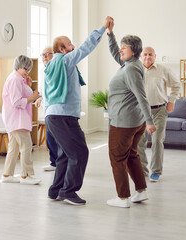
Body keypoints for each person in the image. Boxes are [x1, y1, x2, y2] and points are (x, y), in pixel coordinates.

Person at [44, 16, 113, 206]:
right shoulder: (65, 61)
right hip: (63, 116)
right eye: (69, 43)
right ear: (62, 49)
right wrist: (102, 28)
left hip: (53, 115)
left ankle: (56, 190)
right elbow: (86, 47)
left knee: (66, 153)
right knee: (80, 152)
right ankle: (68, 191)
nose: (73, 45)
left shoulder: (51, 65)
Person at [106, 19, 156, 208]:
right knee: (131, 155)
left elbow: (142, 97)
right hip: (134, 121)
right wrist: (111, 34)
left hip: (124, 122)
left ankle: (122, 198)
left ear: (133, 51)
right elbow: (114, 53)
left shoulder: (131, 70)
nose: (121, 50)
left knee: (117, 157)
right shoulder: (131, 64)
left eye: (124, 48)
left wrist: (150, 121)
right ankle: (141, 191)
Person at [138, 47, 181, 182]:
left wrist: (172, 101)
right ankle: (141, 171)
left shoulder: (163, 69)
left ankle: (156, 171)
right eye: (145, 54)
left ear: (155, 56)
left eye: (150, 54)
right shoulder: (136, 70)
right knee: (139, 142)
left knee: (157, 140)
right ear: (141, 56)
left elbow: (176, 85)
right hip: (141, 112)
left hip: (159, 110)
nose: (147, 57)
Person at [1, 55, 42, 185]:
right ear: (18, 66)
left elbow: (26, 95)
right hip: (16, 119)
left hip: (17, 119)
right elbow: (16, 102)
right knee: (27, 145)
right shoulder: (14, 80)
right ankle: (26, 176)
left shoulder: (20, 79)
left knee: (14, 148)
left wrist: (29, 86)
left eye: (28, 69)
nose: (27, 72)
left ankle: (7, 174)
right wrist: (33, 97)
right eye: (25, 68)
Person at [35, 47, 58, 171]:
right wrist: (39, 99)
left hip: (56, 107)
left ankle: (60, 162)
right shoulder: (42, 70)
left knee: (56, 136)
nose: (44, 57)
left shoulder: (57, 68)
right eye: (42, 54)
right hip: (47, 107)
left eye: (47, 54)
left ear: (53, 55)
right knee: (50, 137)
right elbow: (42, 88)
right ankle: (54, 162)